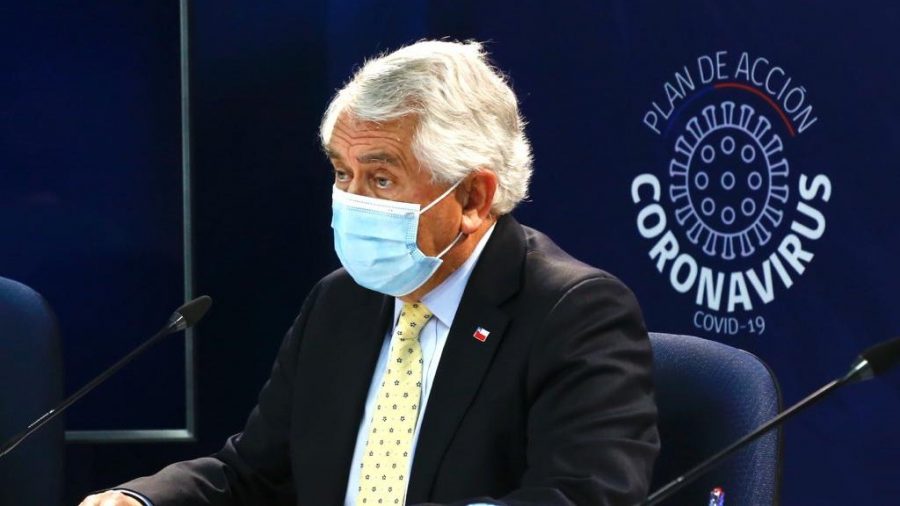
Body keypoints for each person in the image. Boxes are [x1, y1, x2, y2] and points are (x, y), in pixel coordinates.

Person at [80, 39, 659, 506]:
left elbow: (584, 496)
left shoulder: (573, 312)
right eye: (342, 174)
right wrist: (143, 499)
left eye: (381, 179)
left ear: (474, 198)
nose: (352, 201)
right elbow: (254, 473)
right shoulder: (340, 301)